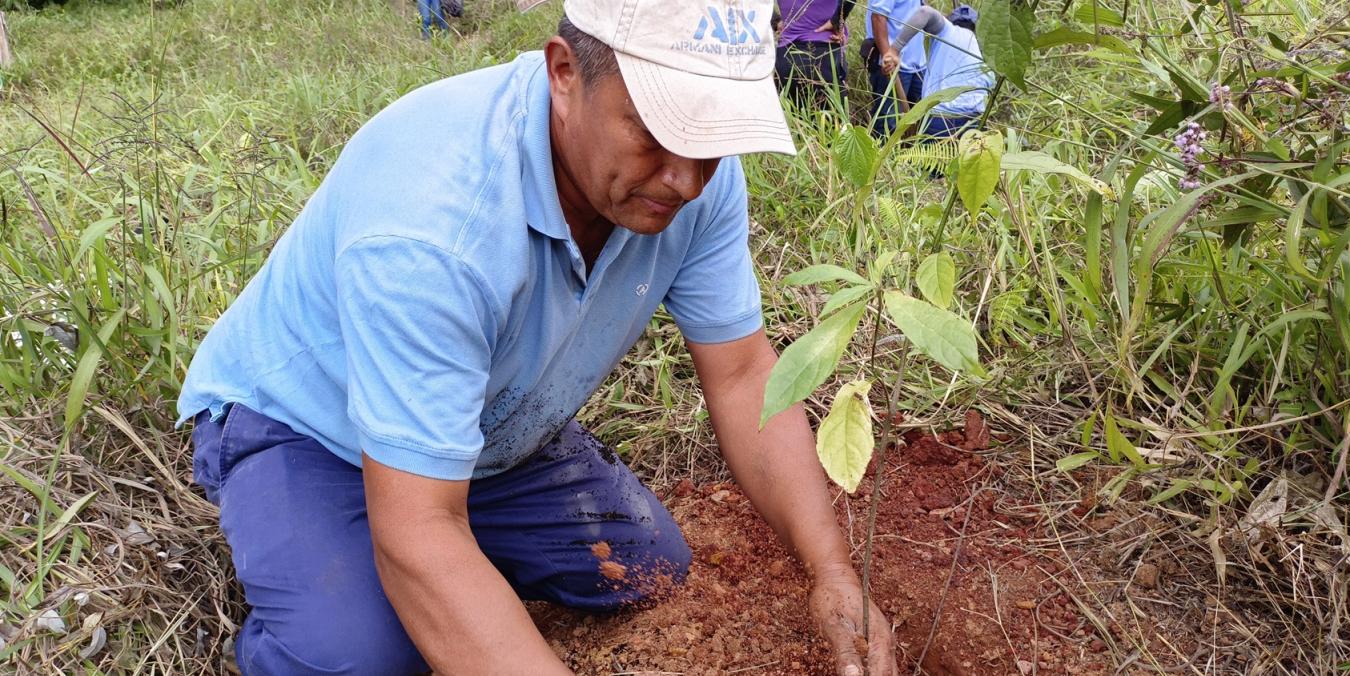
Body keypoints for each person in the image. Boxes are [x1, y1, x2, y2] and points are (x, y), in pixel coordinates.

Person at [177, 0, 898, 674]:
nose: (685, 179)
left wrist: (832, 571)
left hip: (482, 428)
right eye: (658, 131)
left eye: (711, 137)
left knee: (646, 567)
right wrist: (424, 553)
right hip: (307, 429)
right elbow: (418, 528)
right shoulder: (436, 224)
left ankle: (455, 544)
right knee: (361, 652)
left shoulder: (695, 176)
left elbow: (742, 375)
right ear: (563, 72)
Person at [894, 5, 993, 138]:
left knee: (929, 152)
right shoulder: (985, 47)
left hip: (941, 117)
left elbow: (925, 11)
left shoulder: (947, 31)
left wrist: (894, 49)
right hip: (975, 120)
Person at [860, 0, 927, 139]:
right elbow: (878, 16)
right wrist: (888, 55)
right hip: (894, 64)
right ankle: (880, 152)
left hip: (917, 64)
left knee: (920, 120)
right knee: (888, 122)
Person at [775, 0, 855, 110]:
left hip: (785, 57)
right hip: (825, 56)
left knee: (788, 118)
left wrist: (775, 21)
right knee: (832, 118)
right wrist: (836, 20)